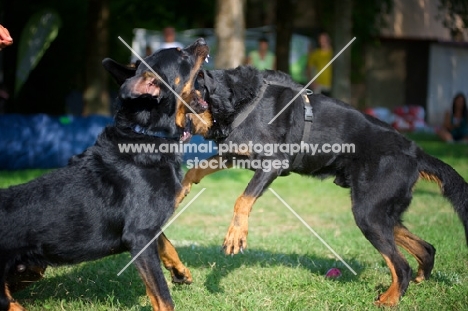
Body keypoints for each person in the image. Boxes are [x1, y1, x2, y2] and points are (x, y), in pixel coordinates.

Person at [307, 32, 333, 96]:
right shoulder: (315, 54)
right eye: (321, 39)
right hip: (318, 85)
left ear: (328, 40)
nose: (322, 41)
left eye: (324, 39)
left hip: (331, 85)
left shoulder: (333, 53)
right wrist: (312, 82)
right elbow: (309, 69)